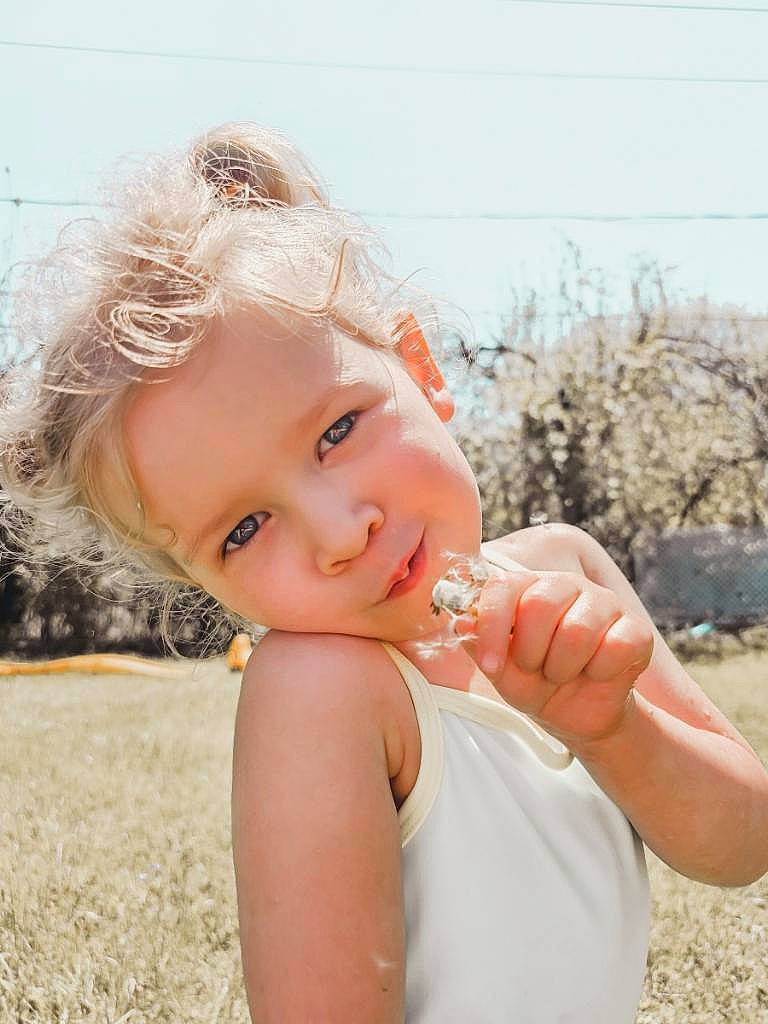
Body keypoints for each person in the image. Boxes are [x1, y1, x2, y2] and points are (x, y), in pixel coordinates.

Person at [1, 122, 767, 1024]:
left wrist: (615, 729)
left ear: (420, 366)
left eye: (337, 431)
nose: (339, 532)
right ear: (202, 582)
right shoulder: (319, 689)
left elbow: (739, 844)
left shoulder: (567, 565)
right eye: (245, 529)